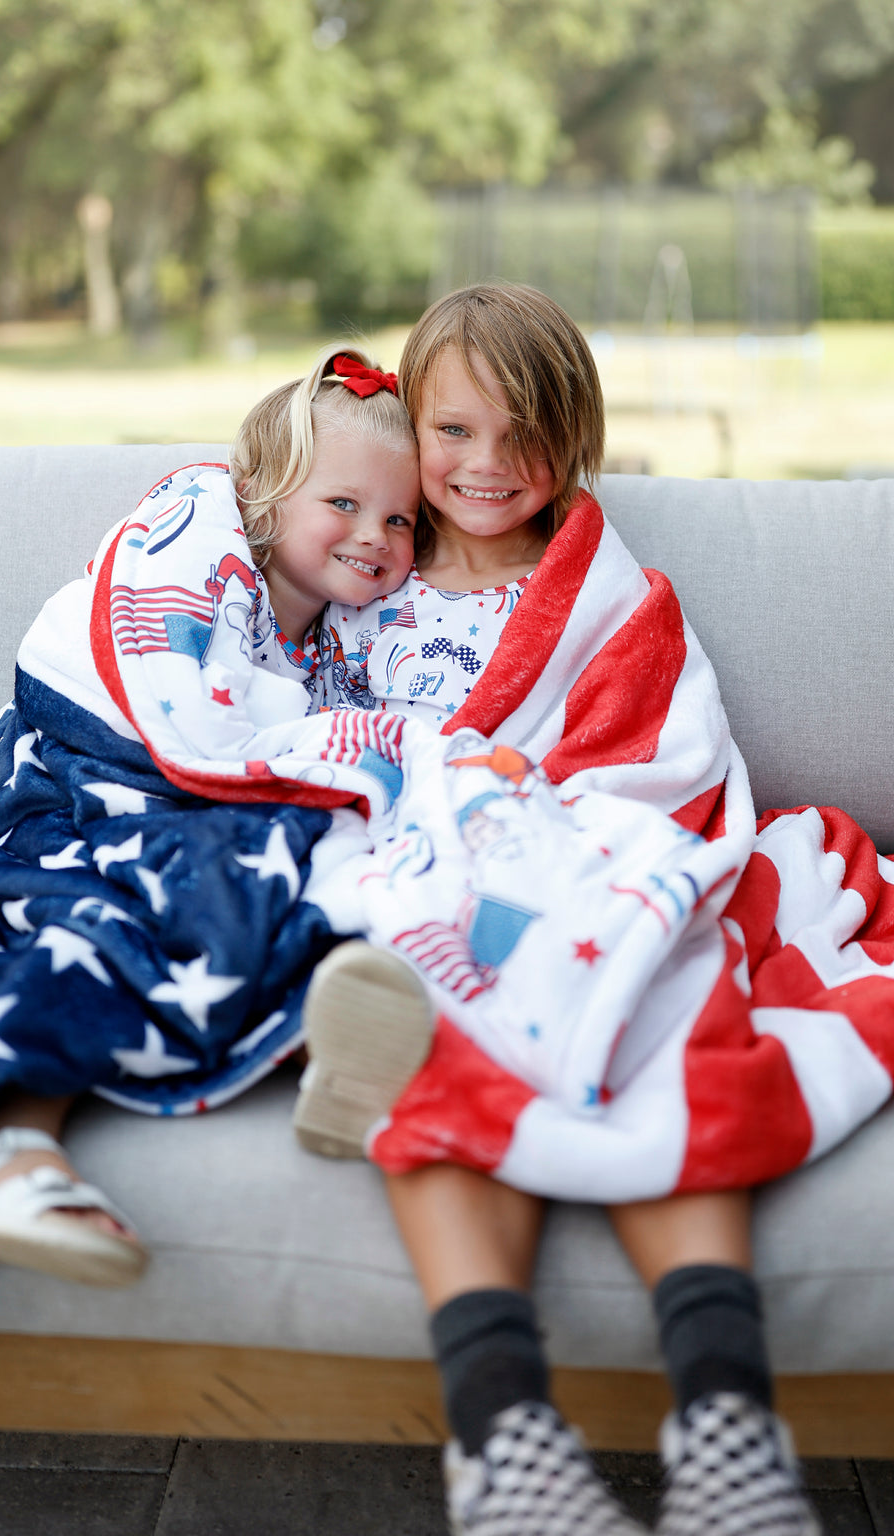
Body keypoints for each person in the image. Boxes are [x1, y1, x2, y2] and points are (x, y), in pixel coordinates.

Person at [293, 284, 821, 1536]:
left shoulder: (602, 593)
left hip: (577, 856)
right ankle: (504, 1437)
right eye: (453, 431)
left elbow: (659, 751)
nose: (487, 464)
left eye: (523, 433)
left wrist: (530, 800)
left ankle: (729, 1426)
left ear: (573, 434)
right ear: (413, 425)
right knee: (427, 1021)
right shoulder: (369, 570)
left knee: (657, 1004)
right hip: (424, 871)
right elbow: (292, 727)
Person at [0, 347, 420, 1289]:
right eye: (344, 504)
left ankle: (319, 1033)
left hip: (188, 800)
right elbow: (181, 706)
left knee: (285, 871)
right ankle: (0, 1145)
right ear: (264, 492)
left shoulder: (345, 638)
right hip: (69, 775)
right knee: (129, 907)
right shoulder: (202, 548)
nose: (375, 535)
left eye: (400, 518)